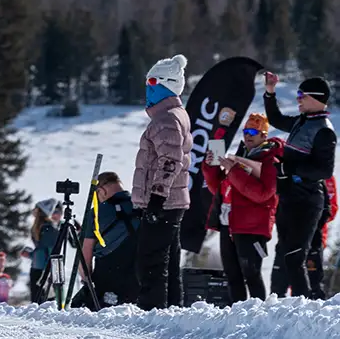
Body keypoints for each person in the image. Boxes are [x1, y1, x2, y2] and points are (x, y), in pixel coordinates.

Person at [264, 72, 335, 299]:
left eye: (301, 95)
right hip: (289, 198)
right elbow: (275, 119)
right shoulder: (302, 121)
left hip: (307, 201)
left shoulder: (324, 129)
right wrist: (269, 92)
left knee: (295, 256)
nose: (298, 99)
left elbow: (324, 170)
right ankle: (293, 308)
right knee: (287, 255)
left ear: (315, 98)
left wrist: (289, 169)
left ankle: (302, 307)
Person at [132, 54, 190, 311]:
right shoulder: (175, 115)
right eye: (147, 82)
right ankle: (172, 309)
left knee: (151, 260)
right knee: (168, 259)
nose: (148, 88)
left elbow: (170, 160)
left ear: (167, 84)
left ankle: (151, 310)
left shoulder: (166, 119)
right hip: (172, 201)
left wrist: (156, 197)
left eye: (153, 82)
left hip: (164, 203)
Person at [201, 113, 278, 303]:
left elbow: (263, 194)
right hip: (228, 222)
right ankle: (238, 314)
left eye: (253, 132)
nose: (248, 135)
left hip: (253, 226)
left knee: (251, 274)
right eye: (245, 131)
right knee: (232, 275)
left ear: (264, 135)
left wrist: (234, 170)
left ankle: (260, 314)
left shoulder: (271, 160)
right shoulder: (241, 155)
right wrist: (211, 166)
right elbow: (217, 187)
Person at [79, 171, 141, 308]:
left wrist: (87, 284)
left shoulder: (96, 212)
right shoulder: (141, 206)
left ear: (101, 190)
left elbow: (85, 255)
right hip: (139, 279)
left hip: (108, 278)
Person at [27, 198, 63, 304]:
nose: (33, 211)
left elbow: (51, 251)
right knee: (39, 300)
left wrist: (48, 272)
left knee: (41, 301)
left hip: (43, 271)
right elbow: (42, 250)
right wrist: (30, 254)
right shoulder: (42, 228)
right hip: (40, 268)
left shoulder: (48, 229)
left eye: (36, 209)